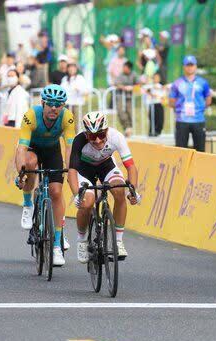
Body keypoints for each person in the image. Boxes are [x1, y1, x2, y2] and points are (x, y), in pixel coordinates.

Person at [14, 85, 76, 267]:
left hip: (52, 151)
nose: (54, 108)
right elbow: (21, 149)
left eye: (59, 105)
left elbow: (69, 147)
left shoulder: (67, 117)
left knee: (56, 192)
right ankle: (27, 204)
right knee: (30, 165)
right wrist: (21, 173)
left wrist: (70, 169)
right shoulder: (31, 115)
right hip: (31, 148)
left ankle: (57, 244)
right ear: (43, 103)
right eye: (50, 104)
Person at [68, 112, 141, 262]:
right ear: (86, 134)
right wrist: (76, 194)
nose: (98, 140)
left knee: (119, 191)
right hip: (84, 170)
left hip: (106, 166)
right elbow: (72, 172)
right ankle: (82, 240)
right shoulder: (79, 140)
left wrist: (133, 190)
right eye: (92, 136)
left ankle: (118, 241)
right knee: (87, 202)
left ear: (107, 130)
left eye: (101, 134)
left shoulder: (116, 137)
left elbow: (131, 167)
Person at [169, 55, 212, 152]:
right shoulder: (177, 83)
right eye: (187, 65)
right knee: (180, 152)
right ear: (184, 67)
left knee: (200, 151)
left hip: (198, 120)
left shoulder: (203, 82)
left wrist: (200, 109)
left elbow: (208, 99)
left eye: (192, 65)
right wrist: (179, 110)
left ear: (196, 66)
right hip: (182, 120)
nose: (190, 67)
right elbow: (171, 101)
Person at [114, 60, 138, 137]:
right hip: (121, 96)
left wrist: (132, 87)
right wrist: (124, 87)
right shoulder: (120, 75)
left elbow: (138, 84)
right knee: (120, 111)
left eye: (125, 67)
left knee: (129, 112)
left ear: (129, 68)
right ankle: (126, 127)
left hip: (129, 97)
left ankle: (129, 128)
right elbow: (116, 83)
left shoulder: (134, 75)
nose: (124, 69)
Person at [143, 72, 165, 137]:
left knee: (160, 119)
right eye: (154, 77)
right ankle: (151, 131)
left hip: (159, 104)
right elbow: (144, 89)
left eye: (157, 78)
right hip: (152, 104)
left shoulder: (161, 86)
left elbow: (163, 95)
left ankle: (158, 131)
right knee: (152, 118)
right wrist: (150, 92)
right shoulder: (150, 86)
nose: (156, 79)